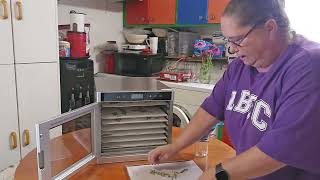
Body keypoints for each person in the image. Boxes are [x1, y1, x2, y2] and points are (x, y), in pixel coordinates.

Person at [148, 0, 320, 179]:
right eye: (228, 40)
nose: (231, 48)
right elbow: (211, 109)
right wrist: (176, 146)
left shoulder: (309, 65)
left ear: (270, 27)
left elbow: (282, 147)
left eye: (237, 40)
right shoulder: (240, 66)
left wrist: (217, 175)